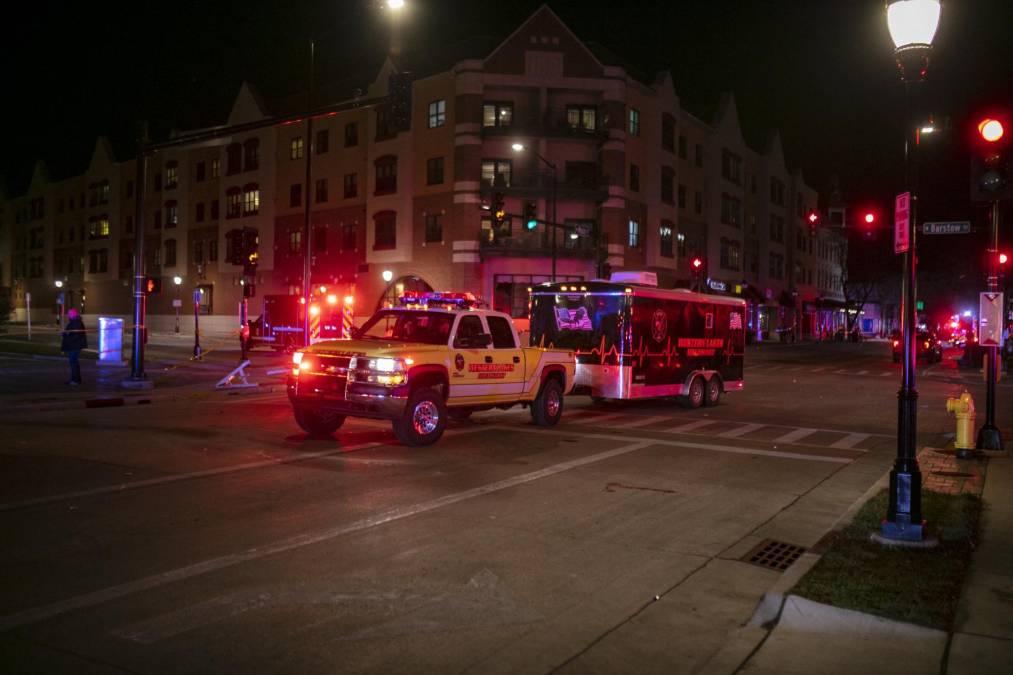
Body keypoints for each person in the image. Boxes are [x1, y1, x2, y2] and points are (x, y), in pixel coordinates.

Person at [61, 308, 87, 385]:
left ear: (73, 314)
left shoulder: (76, 322)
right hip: (75, 345)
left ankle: (75, 380)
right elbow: (71, 333)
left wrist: (65, 335)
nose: (68, 315)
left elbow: (75, 335)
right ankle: (76, 379)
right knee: (74, 363)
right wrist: (65, 333)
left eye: (69, 314)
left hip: (74, 346)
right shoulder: (75, 322)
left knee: (73, 363)